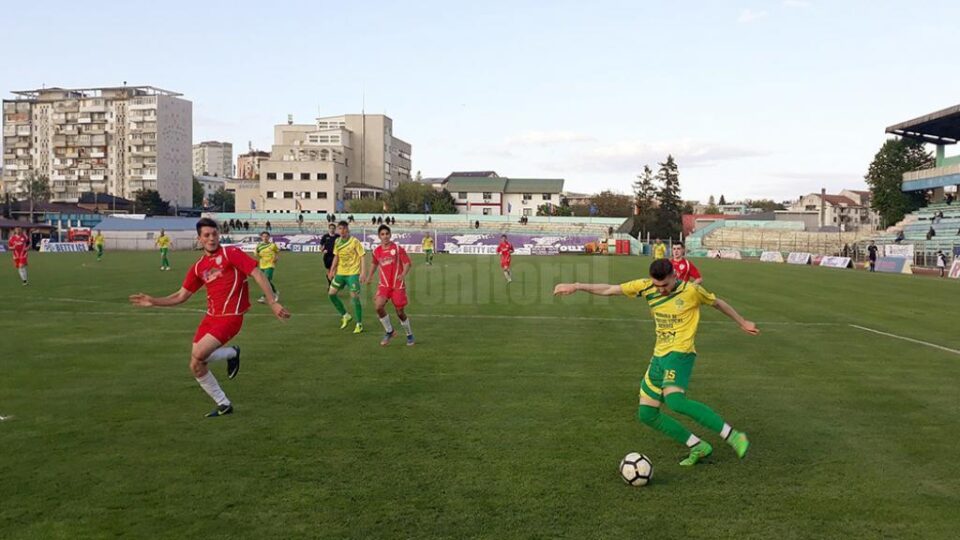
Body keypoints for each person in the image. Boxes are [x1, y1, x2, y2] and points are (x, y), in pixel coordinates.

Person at [552, 258, 758, 466]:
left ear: (674, 277)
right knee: (647, 413)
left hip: (681, 353)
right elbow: (609, 290)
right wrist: (576, 286)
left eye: (665, 285)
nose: (660, 290)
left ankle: (733, 436)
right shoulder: (646, 286)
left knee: (675, 401)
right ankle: (698, 446)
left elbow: (717, 303)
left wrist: (743, 322)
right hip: (659, 356)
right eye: (657, 286)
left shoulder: (691, 291)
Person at [128, 218, 290, 417]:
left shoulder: (231, 253)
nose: (211, 238)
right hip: (210, 318)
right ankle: (224, 403)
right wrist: (154, 301)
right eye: (207, 235)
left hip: (231, 317)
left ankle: (231, 354)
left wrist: (272, 302)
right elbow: (181, 296)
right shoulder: (198, 267)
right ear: (199, 239)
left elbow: (257, 273)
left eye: (214, 234)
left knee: (199, 354)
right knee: (195, 364)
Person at [363, 224, 415, 346]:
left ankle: (409, 334)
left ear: (390, 235)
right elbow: (374, 264)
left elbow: (407, 263)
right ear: (379, 236)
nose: (385, 236)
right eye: (382, 234)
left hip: (398, 284)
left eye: (387, 234)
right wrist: (370, 276)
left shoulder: (397, 248)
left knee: (400, 312)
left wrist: (403, 274)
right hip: (384, 285)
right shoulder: (377, 251)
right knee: (378, 306)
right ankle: (389, 331)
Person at [328, 220, 366, 334]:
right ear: (338, 230)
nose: (342, 230)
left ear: (348, 229)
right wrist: (332, 270)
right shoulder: (338, 241)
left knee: (354, 296)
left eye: (344, 228)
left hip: (353, 273)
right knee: (331, 294)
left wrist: (363, 272)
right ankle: (345, 315)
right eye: (340, 228)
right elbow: (336, 256)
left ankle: (359, 323)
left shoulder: (355, 242)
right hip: (340, 273)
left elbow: (362, 256)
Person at [255, 231, 280, 303]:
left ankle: (264, 296)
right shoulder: (259, 246)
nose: (265, 238)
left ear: (269, 237)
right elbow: (256, 254)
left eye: (266, 236)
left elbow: (277, 251)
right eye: (263, 236)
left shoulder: (272, 245)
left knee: (266, 280)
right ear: (261, 237)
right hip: (262, 265)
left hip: (270, 265)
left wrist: (276, 257)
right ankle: (275, 292)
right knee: (266, 281)